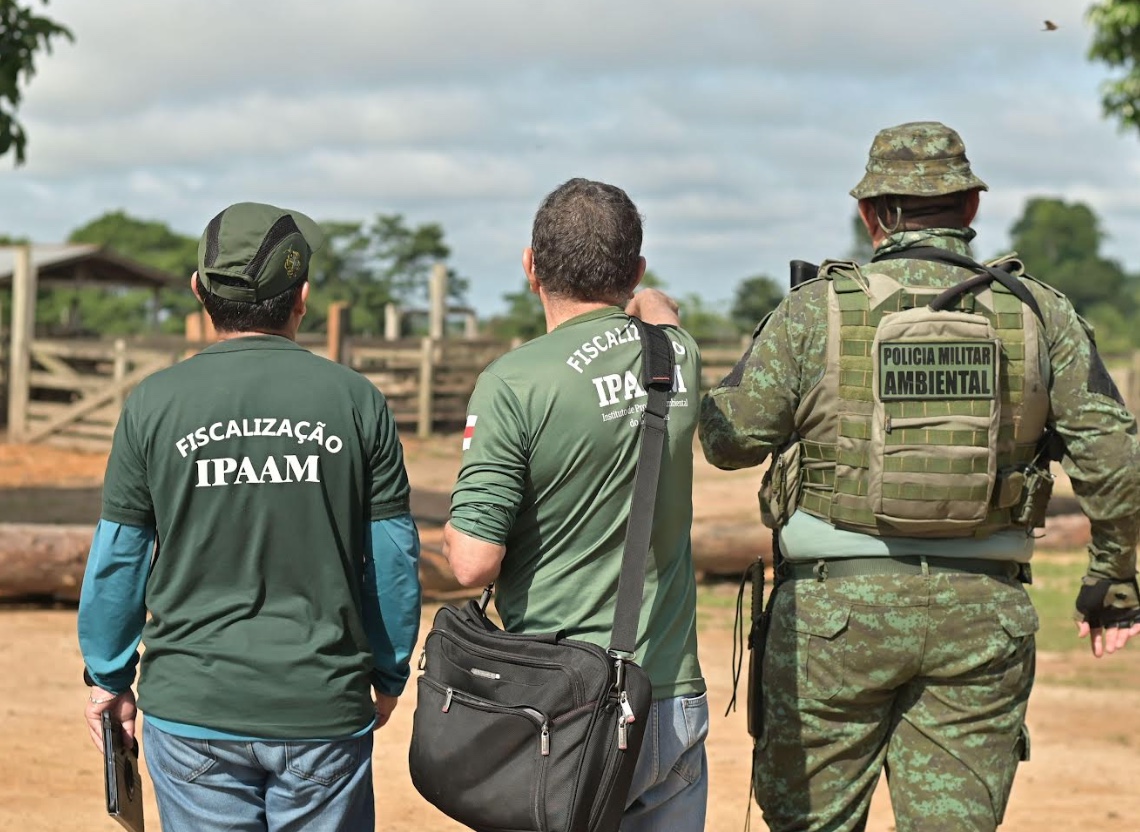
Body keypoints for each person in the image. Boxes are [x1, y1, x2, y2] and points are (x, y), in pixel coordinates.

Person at [699, 121, 1140, 832]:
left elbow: (730, 441)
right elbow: (1114, 456)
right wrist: (1111, 581)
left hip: (830, 623)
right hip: (981, 622)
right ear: (969, 209)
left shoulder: (815, 310)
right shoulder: (1040, 314)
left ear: (871, 215)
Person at [78, 202, 422, 832]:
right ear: (303, 298)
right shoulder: (357, 402)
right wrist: (388, 668)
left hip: (193, 712)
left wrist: (107, 675)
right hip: (321, 707)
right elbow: (394, 557)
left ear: (198, 292)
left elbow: (119, 555)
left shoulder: (153, 404)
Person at [442, 177, 709, 831]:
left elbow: (472, 565)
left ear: (531, 265)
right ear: (635, 268)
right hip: (668, 696)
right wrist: (650, 297)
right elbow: (661, 316)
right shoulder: (677, 358)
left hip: (558, 708)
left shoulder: (515, 380)